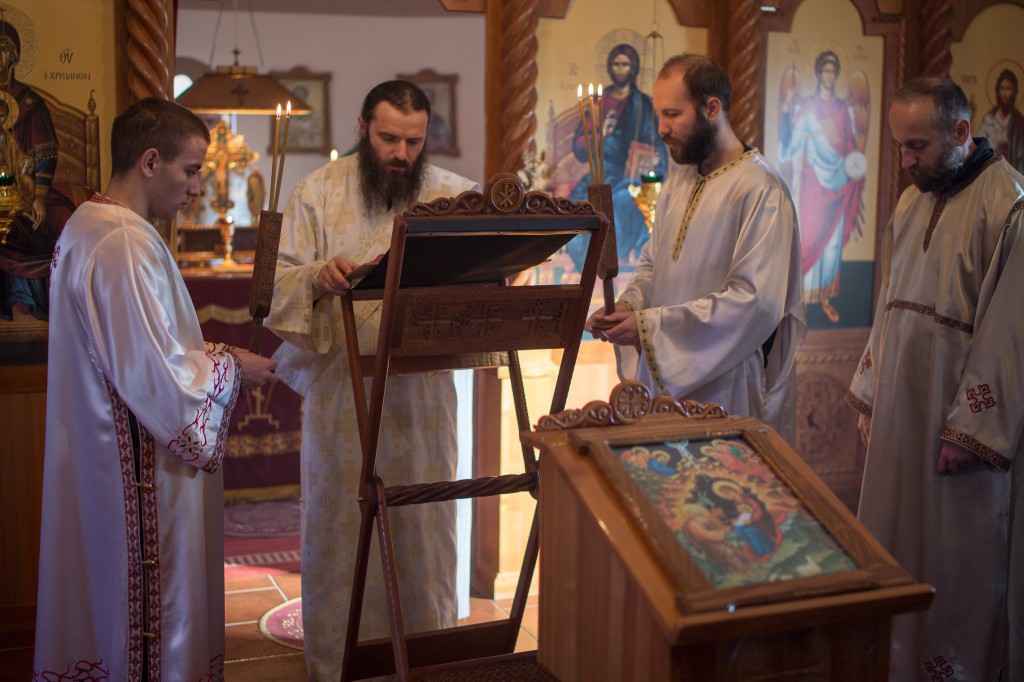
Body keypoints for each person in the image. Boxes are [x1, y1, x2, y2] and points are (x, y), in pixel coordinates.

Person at [32, 97, 278, 680]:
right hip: (134, 470)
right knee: (143, 619)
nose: (197, 187)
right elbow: (153, 376)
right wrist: (233, 368)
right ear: (149, 161)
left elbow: (141, 347)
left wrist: (217, 357)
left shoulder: (92, 224)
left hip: (100, 452)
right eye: (190, 170)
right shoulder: (121, 240)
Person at [266, 79, 477, 681]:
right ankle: (341, 665)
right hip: (342, 397)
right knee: (344, 524)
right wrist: (316, 276)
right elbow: (276, 282)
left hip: (423, 397)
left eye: (413, 141)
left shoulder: (457, 197)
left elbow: (485, 275)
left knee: (423, 530)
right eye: (388, 138)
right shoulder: (316, 192)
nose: (401, 154)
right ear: (362, 128)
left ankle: (426, 662)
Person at [846, 76, 1024, 681]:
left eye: (917, 146)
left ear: (960, 131)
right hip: (899, 417)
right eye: (900, 145)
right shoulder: (910, 202)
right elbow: (889, 307)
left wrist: (969, 430)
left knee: (954, 560)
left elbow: (1010, 332)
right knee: (894, 543)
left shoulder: (1010, 205)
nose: (906, 160)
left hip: (958, 432)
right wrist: (872, 395)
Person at [586, 53, 806, 444]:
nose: (662, 129)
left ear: (712, 109)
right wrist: (630, 307)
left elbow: (753, 302)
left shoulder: (761, 190)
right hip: (664, 380)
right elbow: (652, 264)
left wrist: (648, 329)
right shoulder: (680, 180)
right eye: (659, 115)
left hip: (726, 387)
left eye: (672, 114)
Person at [0, 19, 79, 321]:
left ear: (15, 56)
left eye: (3, 49)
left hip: (27, 189)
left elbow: (45, 152)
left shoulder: (30, 103)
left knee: (65, 219)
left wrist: (39, 197)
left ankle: (66, 308)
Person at [779, 50, 866, 323]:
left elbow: (850, 144)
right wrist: (785, 113)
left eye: (833, 71)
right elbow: (790, 146)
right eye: (826, 71)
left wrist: (855, 168)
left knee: (832, 245)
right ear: (818, 73)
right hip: (814, 185)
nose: (829, 76)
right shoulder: (808, 109)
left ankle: (826, 297)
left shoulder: (842, 109)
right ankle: (802, 298)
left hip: (839, 180)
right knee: (810, 239)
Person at [566, 43, 669, 269]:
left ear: (634, 68)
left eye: (625, 64)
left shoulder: (642, 104)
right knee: (576, 203)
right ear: (609, 67)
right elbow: (580, 145)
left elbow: (656, 144)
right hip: (603, 170)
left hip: (630, 175)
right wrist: (601, 136)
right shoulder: (599, 102)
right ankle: (585, 265)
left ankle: (611, 262)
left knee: (620, 202)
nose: (620, 69)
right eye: (615, 64)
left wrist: (652, 159)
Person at [976, 68, 1024, 172]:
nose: (1005, 93)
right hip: (990, 174)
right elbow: (978, 149)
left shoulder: (1020, 122)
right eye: (1002, 88)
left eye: (1009, 88)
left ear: (1014, 92)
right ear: (998, 91)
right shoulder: (989, 119)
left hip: (1013, 176)